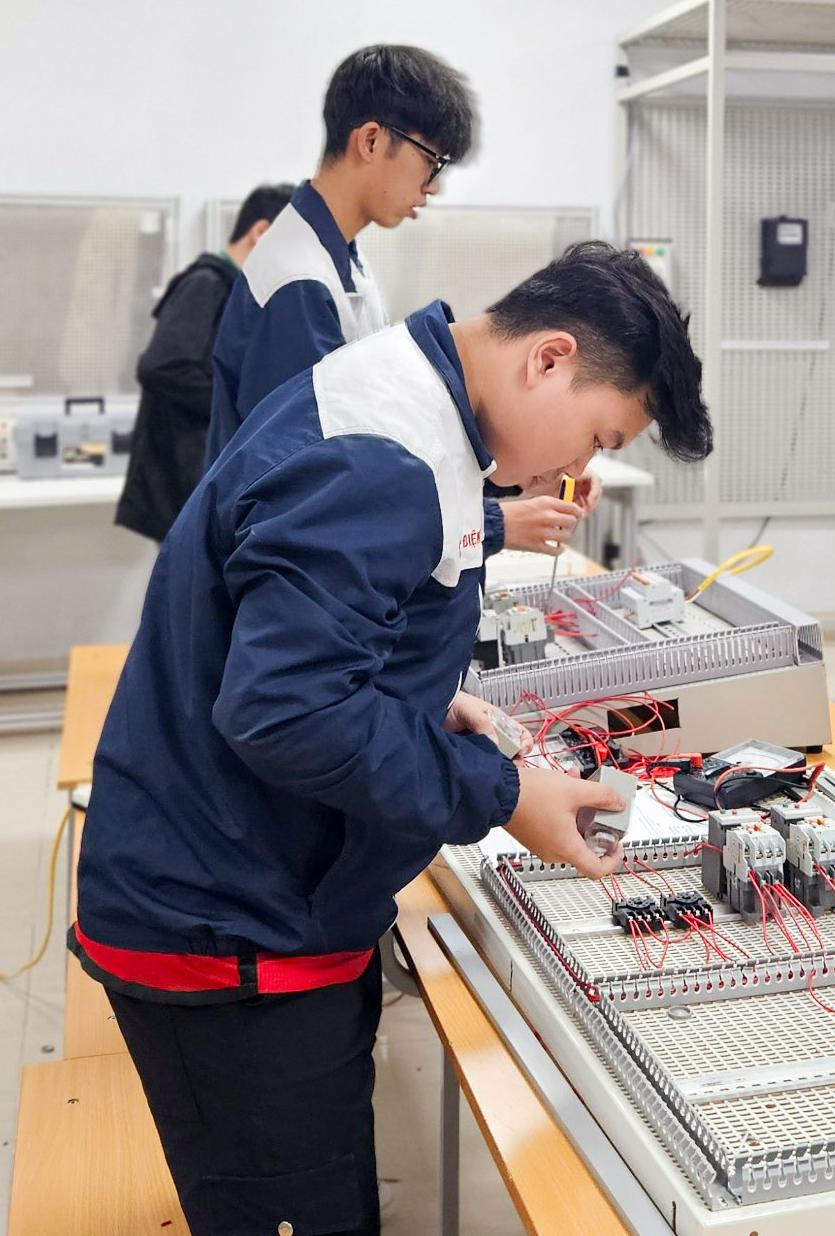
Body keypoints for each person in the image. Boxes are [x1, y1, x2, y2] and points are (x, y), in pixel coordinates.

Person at [72, 242, 713, 1236]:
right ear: (547, 358)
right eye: (596, 435)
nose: (577, 470)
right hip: (230, 928)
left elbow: (314, 637)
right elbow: (285, 710)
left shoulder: (410, 402)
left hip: (258, 891)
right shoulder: (384, 454)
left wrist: (429, 703)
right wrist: (505, 795)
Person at [204, 45, 582, 557]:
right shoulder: (299, 283)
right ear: (371, 140)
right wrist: (490, 524)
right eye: (431, 160)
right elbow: (312, 486)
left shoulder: (341, 259)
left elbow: (381, 428)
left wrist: (518, 478)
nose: (434, 186)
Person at [115, 183, 293, 543]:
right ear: (261, 232)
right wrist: (240, 401)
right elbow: (161, 366)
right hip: (181, 481)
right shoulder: (206, 284)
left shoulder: (241, 294)